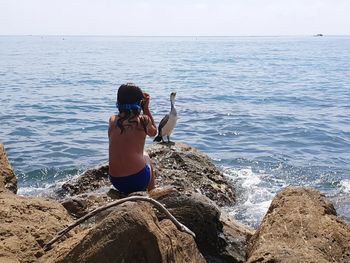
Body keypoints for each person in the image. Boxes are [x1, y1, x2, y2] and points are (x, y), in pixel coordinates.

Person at [108, 83, 157, 195]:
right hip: (138, 180)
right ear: (140, 102)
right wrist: (146, 109)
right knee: (146, 155)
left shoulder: (112, 120)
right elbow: (154, 133)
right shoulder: (143, 121)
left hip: (116, 181)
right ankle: (152, 190)